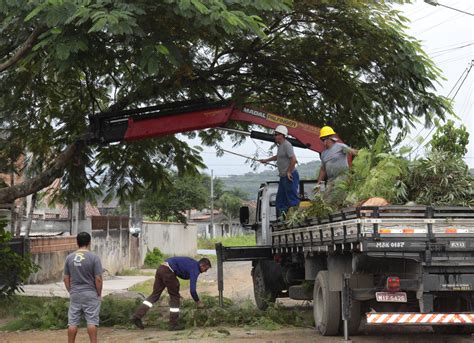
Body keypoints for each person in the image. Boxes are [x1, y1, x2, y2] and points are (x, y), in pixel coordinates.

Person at [131, 256, 212, 331]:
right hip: (168, 271)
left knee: (155, 295)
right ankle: (173, 324)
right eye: (206, 269)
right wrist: (198, 301)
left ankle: (137, 316)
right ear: (202, 265)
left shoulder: (192, 263)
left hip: (161, 268)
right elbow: (192, 290)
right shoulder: (195, 268)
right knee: (175, 297)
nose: (205, 271)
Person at [64, 232, 103, 343]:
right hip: (90, 293)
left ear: (77, 242)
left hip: (75, 293)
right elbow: (98, 279)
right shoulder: (94, 258)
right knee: (92, 321)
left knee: (72, 322)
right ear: (89, 242)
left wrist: (71, 291)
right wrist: (98, 293)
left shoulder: (69, 258)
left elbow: (66, 278)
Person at [258, 125, 300, 218]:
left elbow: (293, 159)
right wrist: (266, 160)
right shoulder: (281, 146)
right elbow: (278, 156)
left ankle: (295, 218)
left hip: (290, 175)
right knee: (280, 200)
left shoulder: (287, 145)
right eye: (275, 134)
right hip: (283, 176)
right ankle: (283, 219)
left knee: (292, 199)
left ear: (282, 135)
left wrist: (289, 172)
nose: (275, 136)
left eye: (276, 134)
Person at [317, 126, 358, 204]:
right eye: (322, 139)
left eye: (323, 139)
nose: (323, 141)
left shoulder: (340, 147)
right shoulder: (324, 153)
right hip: (331, 180)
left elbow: (353, 152)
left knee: (339, 198)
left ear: (329, 138)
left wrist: (363, 154)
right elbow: (323, 170)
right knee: (326, 200)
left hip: (342, 177)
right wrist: (318, 183)